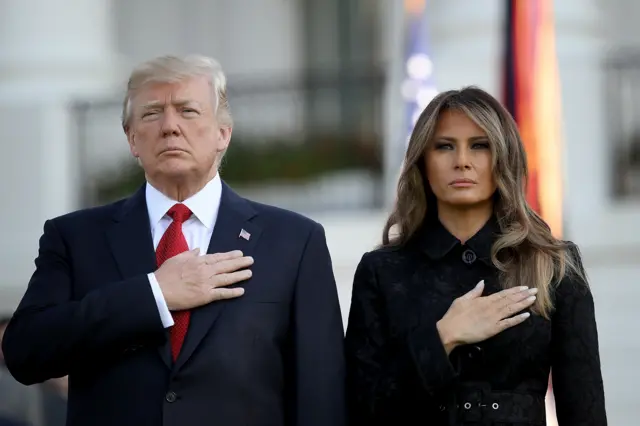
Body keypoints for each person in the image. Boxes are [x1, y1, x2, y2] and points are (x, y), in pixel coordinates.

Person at [2, 54, 346, 426]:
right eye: (151, 113)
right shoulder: (74, 237)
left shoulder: (294, 240)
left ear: (222, 134)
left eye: (188, 111)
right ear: (132, 139)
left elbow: (321, 392)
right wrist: (152, 295)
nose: (169, 126)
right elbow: (25, 352)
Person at [344, 87, 607, 425]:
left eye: (479, 146)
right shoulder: (382, 271)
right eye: (445, 146)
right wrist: (444, 337)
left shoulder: (555, 265)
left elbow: (585, 411)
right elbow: (361, 409)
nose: (462, 161)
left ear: (504, 157)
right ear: (423, 162)